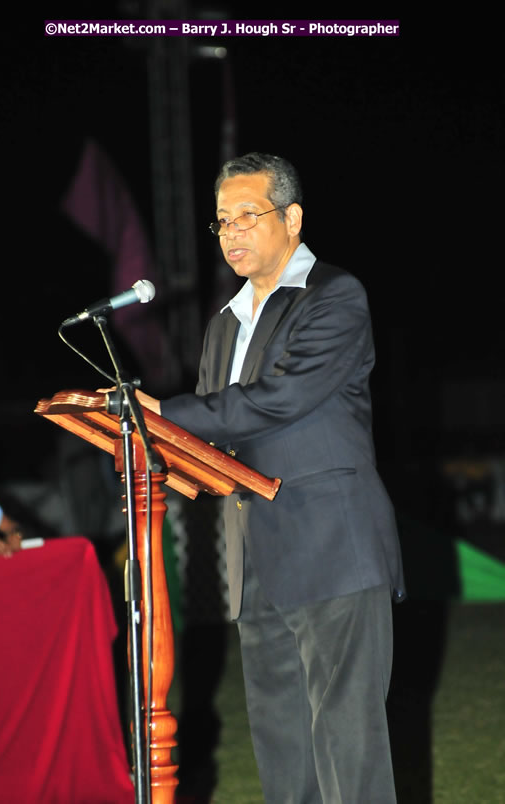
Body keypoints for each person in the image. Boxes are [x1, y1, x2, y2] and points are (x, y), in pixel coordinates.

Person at [134, 152, 406, 803]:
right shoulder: (224, 323)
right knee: (285, 756)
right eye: (221, 221)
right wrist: (148, 450)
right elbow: (212, 439)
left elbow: (277, 401)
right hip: (257, 562)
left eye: (247, 217)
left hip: (334, 552)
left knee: (349, 749)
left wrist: (162, 414)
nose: (231, 233)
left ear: (292, 217)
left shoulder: (335, 297)